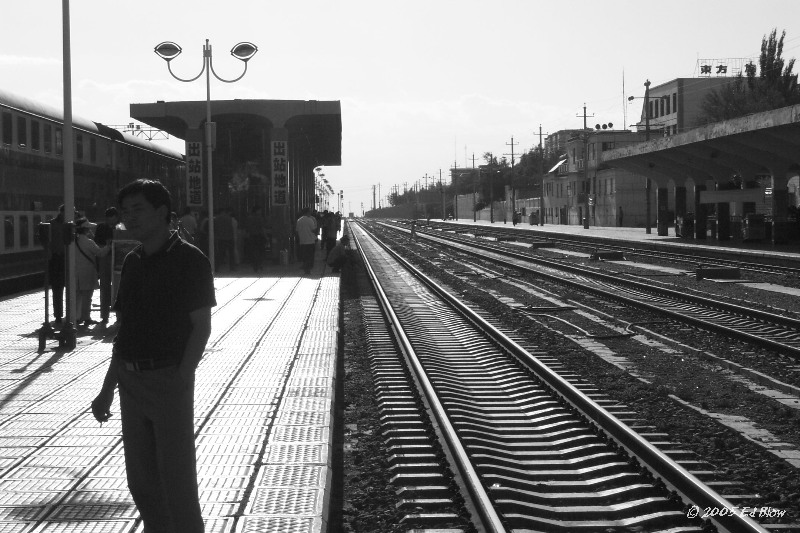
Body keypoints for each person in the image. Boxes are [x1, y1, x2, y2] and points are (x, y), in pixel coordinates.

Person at [91, 179, 215, 533]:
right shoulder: (132, 262)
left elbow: (200, 328)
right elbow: (125, 330)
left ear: (162, 213)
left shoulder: (190, 260)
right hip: (131, 381)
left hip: (167, 378)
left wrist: (181, 377)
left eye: (138, 210)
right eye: (125, 211)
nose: (130, 218)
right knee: (141, 480)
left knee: (176, 480)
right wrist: (106, 388)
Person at [74, 218, 110, 326]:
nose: (90, 231)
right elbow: (100, 253)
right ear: (86, 230)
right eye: (89, 229)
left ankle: (77, 317)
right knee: (87, 297)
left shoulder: (73, 241)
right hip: (87, 272)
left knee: (77, 296)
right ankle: (86, 317)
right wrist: (109, 245)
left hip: (76, 273)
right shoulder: (88, 242)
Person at [93, 207, 119, 325]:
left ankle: (119, 314)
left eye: (112, 219)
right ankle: (104, 315)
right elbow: (96, 241)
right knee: (104, 285)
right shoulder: (101, 227)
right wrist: (106, 244)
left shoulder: (122, 227)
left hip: (119, 258)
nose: (110, 221)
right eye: (109, 219)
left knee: (119, 286)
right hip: (105, 258)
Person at [47, 205, 66, 324]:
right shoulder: (52, 224)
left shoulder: (74, 224)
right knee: (57, 288)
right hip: (57, 258)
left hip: (70, 258)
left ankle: (75, 313)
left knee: (74, 288)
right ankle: (58, 315)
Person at [245, 205, 267, 273]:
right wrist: (265, 236)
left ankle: (255, 265)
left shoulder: (249, 218)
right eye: (260, 210)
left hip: (252, 236)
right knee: (260, 251)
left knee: (253, 251)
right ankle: (259, 264)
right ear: (257, 210)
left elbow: (247, 228)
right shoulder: (259, 218)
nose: (261, 211)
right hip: (259, 236)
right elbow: (262, 228)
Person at [295, 207, 317, 275]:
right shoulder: (310, 220)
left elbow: (297, 230)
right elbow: (313, 229)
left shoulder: (299, 220)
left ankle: (305, 268)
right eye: (310, 211)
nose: (310, 213)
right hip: (310, 241)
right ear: (307, 212)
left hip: (302, 241)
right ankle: (308, 269)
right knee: (310, 256)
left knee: (304, 256)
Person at [214, 208, 235, 272]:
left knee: (220, 253)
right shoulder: (229, 219)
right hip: (229, 238)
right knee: (231, 254)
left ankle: (216, 267)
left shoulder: (216, 219)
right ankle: (232, 268)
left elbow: (215, 229)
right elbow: (232, 229)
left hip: (220, 238)